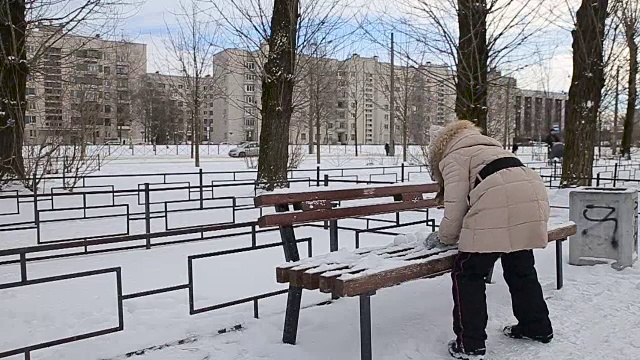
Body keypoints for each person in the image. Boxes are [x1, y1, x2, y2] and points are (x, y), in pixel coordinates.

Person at [425, 120, 552, 360]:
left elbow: (455, 208)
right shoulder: (491, 148)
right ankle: (536, 326)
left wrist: (444, 238)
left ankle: (469, 344)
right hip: (532, 198)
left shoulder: (455, 157)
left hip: (498, 203)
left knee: (468, 272)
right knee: (521, 267)